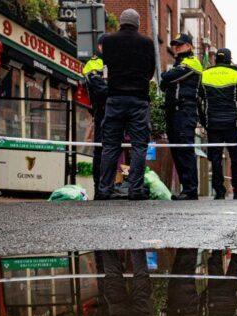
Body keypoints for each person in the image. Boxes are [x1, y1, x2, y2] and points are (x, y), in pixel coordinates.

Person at [97, 9, 155, 201]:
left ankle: (104, 189)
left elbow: (105, 64)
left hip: (115, 99)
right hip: (138, 100)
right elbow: (150, 70)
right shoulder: (146, 42)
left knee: (110, 145)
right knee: (139, 145)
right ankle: (135, 190)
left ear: (121, 22)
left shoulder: (108, 41)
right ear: (137, 23)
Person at [198, 48, 237, 200]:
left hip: (213, 124)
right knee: (235, 158)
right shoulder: (235, 74)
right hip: (231, 124)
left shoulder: (206, 74)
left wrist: (205, 121)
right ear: (229, 59)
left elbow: (198, 101)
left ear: (216, 60)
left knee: (215, 158)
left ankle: (219, 191)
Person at [161, 34, 203, 201]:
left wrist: (168, 75)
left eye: (180, 45)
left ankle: (191, 189)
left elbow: (168, 78)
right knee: (177, 150)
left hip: (185, 111)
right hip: (173, 112)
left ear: (189, 46)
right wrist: (168, 76)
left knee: (185, 150)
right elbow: (164, 85)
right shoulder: (179, 65)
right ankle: (186, 188)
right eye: (175, 45)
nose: (176, 47)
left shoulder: (192, 62)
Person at [82, 35, 108, 198]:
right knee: (99, 149)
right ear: (99, 47)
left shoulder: (111, 62)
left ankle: (108, 186)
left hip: (112, 110)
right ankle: (99, 188)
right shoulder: (93, 64)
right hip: (101, 111)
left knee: (112, 149)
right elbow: (99, 88)